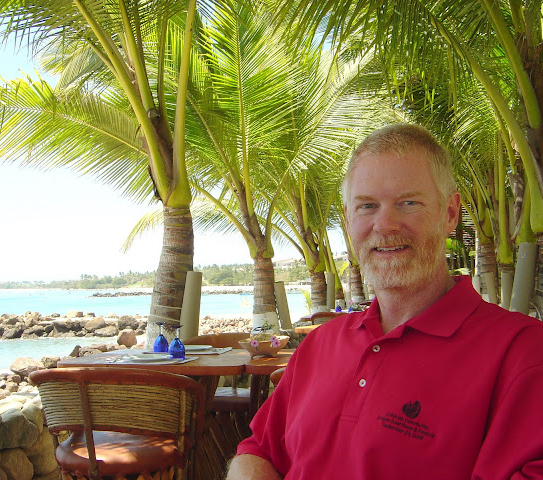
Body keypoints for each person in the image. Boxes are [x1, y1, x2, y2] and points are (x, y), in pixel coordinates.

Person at [226, 123, 543, 479]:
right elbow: (258, 451)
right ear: (348, 219)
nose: (385, 224)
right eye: (367, 206)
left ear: (450, 213)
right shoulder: (319, 345)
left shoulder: (522, 354)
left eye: (409, 203)